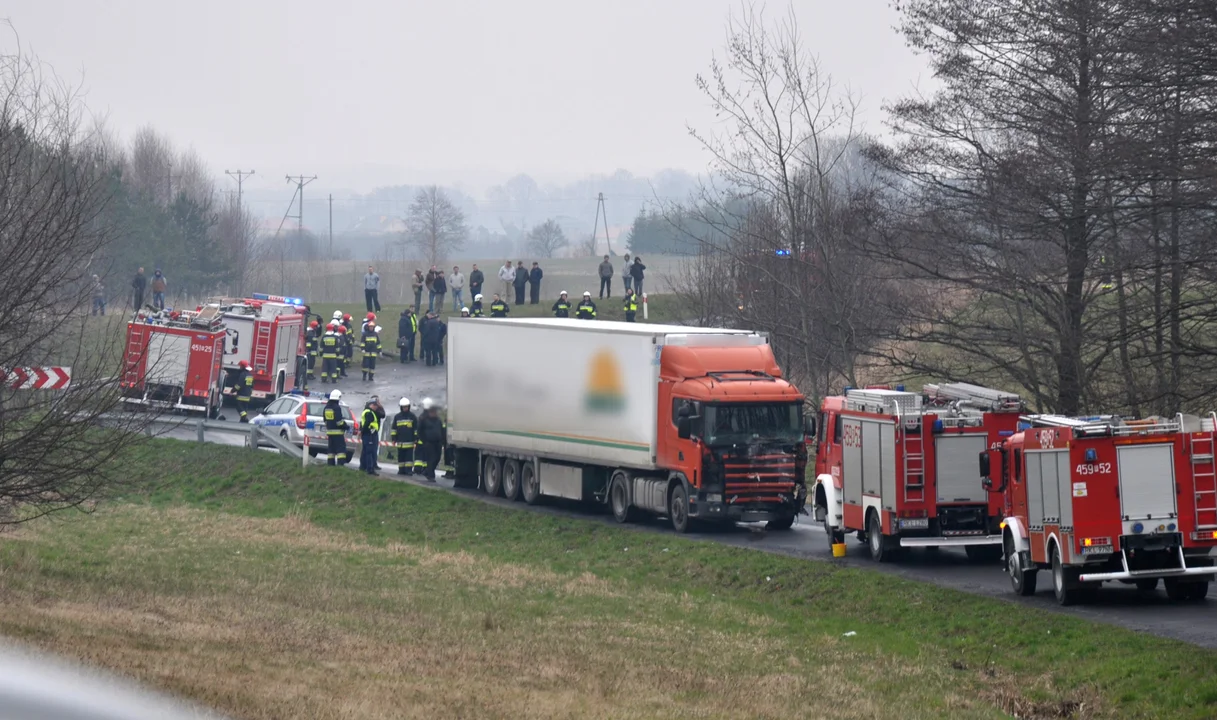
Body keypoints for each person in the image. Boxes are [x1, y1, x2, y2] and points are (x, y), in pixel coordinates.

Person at [416, 398, 446, 481]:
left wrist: (443, 440)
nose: (435, 412)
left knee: (437, 458)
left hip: (438, 443)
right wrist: (424, 441)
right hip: (429, 443)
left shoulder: (438, 420)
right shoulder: (423, 419)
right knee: (431, 459)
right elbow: (419, 431)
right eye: (433, 411)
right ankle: (431, 475)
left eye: (435, 411)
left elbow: (442, 430)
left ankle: (428, 471)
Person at [323, 390, 349, 466]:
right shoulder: (336, 408)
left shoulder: (326, 407)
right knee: (341, 450)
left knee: (331, 450)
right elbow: (339, 421)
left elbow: (325, 420)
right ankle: (340, 465)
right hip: (338, 433)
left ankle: (330, 464)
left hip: (330, 432)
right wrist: (345, 426)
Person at [392, 398, 417, 475]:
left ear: (408, 407)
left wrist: (416, 439)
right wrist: (394, 438)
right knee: (401, 457)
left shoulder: (412, 416)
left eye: (406, 407)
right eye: (403, 407)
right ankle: (401, 470)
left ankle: (408, 470)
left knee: (409, 457)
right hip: (400, 442)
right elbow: (394, 429)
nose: (405, 408)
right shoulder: (397, 417)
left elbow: (416, 429)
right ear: (401, 407)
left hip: (409, 441)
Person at [359, 400, 381, 475]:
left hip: (367, 434)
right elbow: (367, 423)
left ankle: (362, 466)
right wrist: (364, 431)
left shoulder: (366, 411)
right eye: (375, 406)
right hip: (370, 434)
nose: (376, 408)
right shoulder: (369, 413)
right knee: (370, 452)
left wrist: (362, 431)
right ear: (371, 405)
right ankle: (370, 469)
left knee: (365, 451)